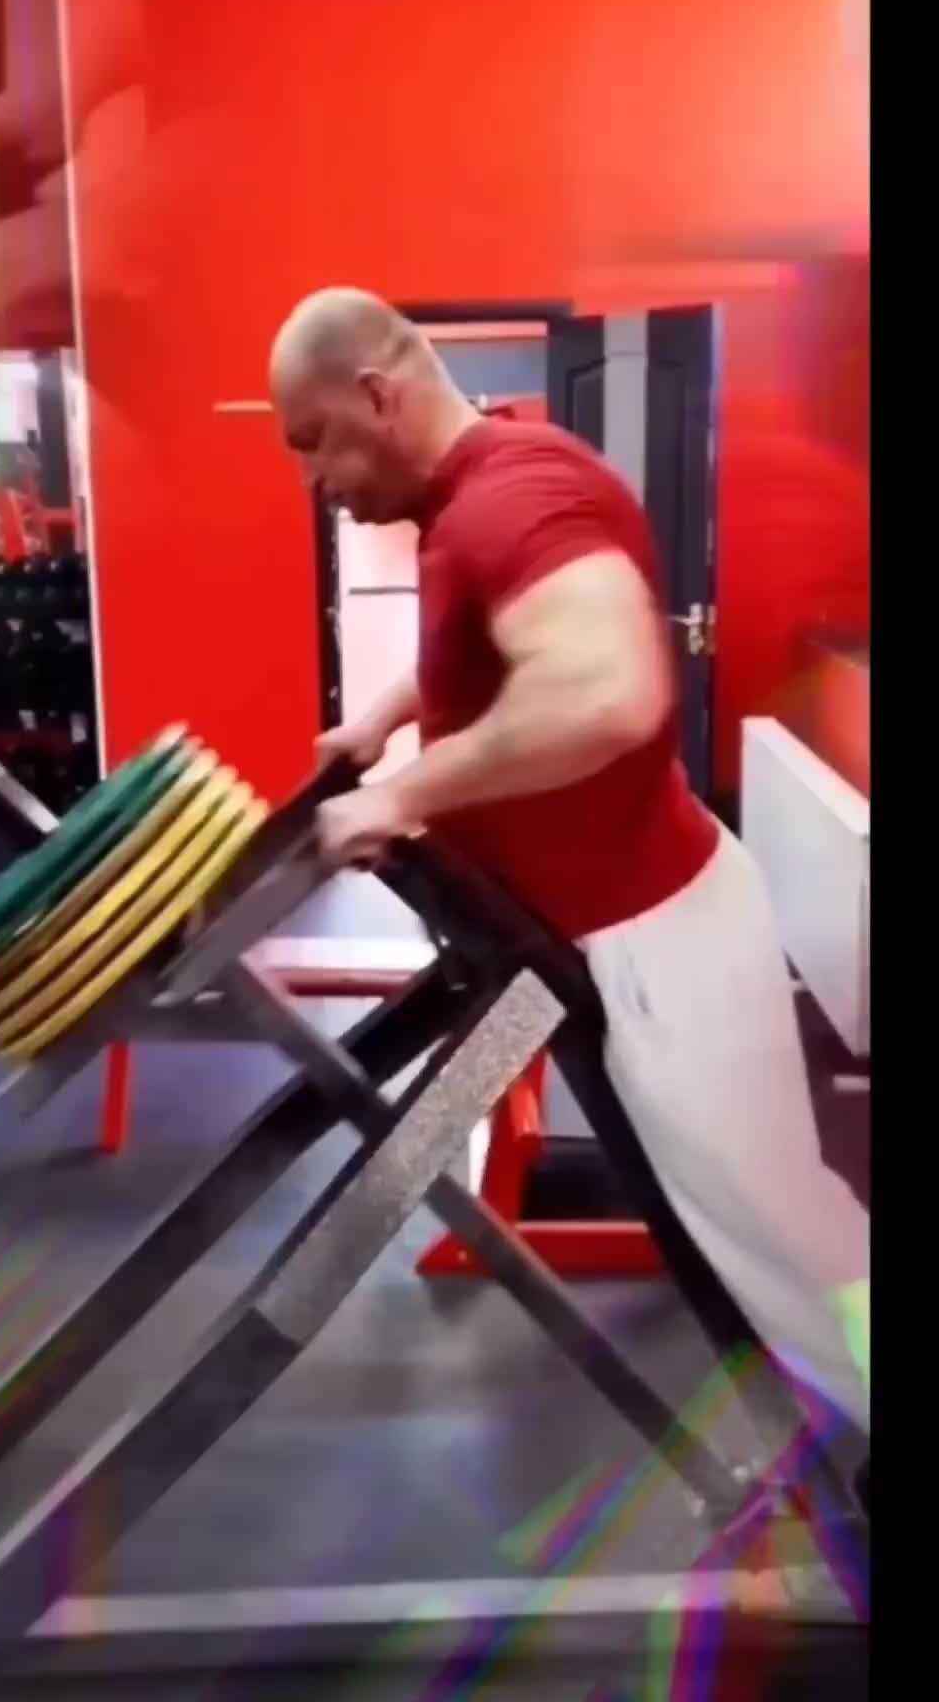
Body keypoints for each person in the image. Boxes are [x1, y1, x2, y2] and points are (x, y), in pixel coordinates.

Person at [269, 287, 870, 1453]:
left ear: (378, 396)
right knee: (769, 1233)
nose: (312, 479)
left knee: (794, 1238)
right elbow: (496, 642)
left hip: (662, 949)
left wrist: (405, 794)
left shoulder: (514, 502)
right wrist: (385, 721)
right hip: (644, 939)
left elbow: (605, 693)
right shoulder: (476, 490)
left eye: (314, 440)